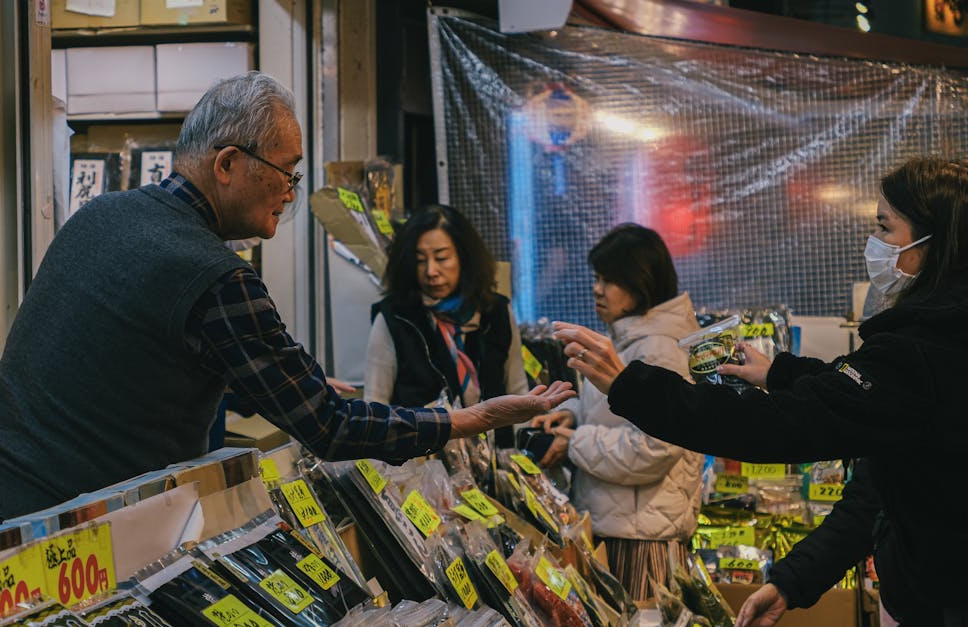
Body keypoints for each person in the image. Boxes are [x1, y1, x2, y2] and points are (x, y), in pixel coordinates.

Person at [0, 72, 574, 542]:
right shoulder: (215, 274)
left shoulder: (100, 214)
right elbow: (327, 426)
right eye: (288, 173)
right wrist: (469, 419)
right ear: (230, 163)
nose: (292, 193)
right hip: (62, 548)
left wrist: (266, 386)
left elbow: (132, 366)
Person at [554, 157, 968, 626]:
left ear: (936, 243)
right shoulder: (930, 347)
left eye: (885, 228)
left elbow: (773, 426)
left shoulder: (922, 354)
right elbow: (872, 485)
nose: (874, 245)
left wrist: (631, 386)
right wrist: (779, 375)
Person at [531, 224, 702, 600]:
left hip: (642, 542)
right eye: (597, 278)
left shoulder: (657, 349)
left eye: (609, 280)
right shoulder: (630, 341)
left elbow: (655, 446)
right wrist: (574, 414)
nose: (597, 289)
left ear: (640, 283)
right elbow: (622, 413)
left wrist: (575, 441)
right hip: (624, 529)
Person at [363, 205, 528, 415]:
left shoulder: (495, 312)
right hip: (423, 447)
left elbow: (518, 391)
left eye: (441, 258)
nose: (431, 271)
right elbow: (375, 407)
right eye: (420, 260)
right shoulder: (394, 317)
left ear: (464, 257)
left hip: (496, 446)